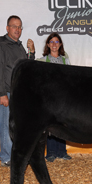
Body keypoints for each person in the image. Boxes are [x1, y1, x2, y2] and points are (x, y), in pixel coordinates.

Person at [0, 15, 35, 167]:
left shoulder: (19, 47)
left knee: (17, 125)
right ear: (7, 28)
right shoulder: (1, 46)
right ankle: (6, 157)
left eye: (19, 27)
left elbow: (28, 69)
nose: (17, 29)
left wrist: (31, 52)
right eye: (14, 26)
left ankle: (15, 155)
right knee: (5, 124)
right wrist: (1, 93)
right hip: (8, 92)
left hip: (19, 94)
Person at [37, 32, 72, 162]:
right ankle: (51, 152)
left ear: (60, 44)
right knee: (50, 125)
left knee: (62, 124)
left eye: (56, 42)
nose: (54, 44)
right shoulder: (42, 61)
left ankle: (62, 151)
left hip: (62, 98)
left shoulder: (65, 59)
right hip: (49, 98)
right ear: (48, 45)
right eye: (51, 42)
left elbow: (70, 77)